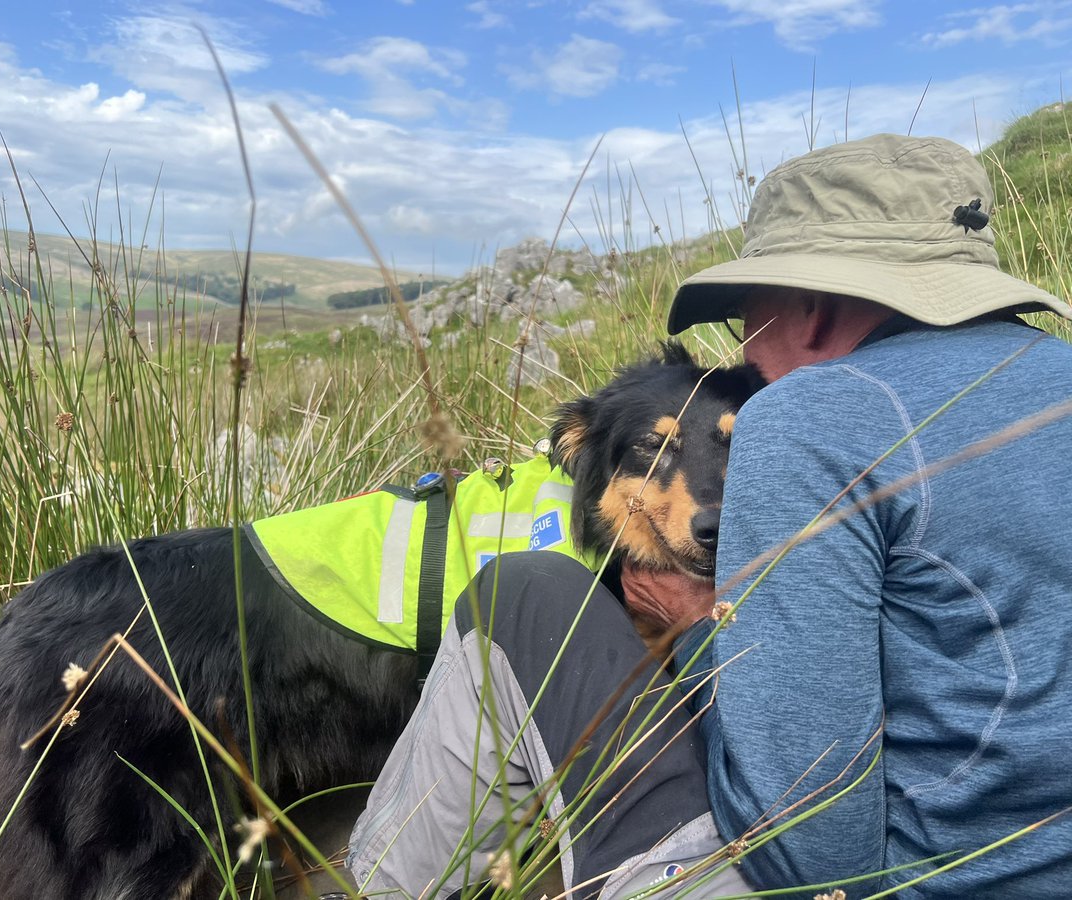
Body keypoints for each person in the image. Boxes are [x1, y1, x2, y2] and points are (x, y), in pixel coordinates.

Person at [344, 134, 1072, 898]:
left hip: (891, 883)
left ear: (811, 307)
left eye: (743, 317)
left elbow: (807, 847)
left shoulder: (811, 416)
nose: (743, 352)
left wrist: (696, 628)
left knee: (524, 595)